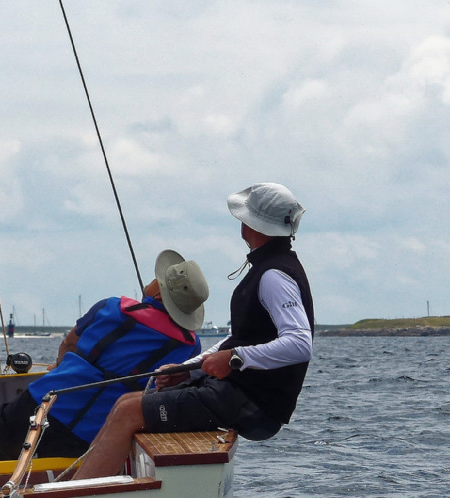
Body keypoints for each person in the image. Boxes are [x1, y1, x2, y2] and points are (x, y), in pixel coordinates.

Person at [73, 182, 314, 480]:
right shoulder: (270, 267)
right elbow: (240, 338)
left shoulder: (274, 275)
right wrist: (188, 369)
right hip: (237, 394)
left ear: (250, 225)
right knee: (125, 402)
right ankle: (80, 485)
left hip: (253, 405)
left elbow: (300, 343)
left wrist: (234, 358)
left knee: (128, 412)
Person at [0, 250, 209, 470]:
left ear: (158, 290)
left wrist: (59, 368)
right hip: (90, 434)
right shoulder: (189, 345)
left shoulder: (112, 307)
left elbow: (69, 344)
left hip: (40, 405)